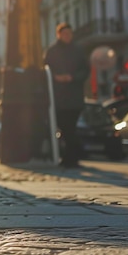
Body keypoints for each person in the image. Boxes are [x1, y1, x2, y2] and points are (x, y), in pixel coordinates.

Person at [44, 23, 89, 168]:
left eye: (70, 33)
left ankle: (71, 157)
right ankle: (70, 156)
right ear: (59, 35)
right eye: (65, 34)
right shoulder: (52, 51)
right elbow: (46, 70)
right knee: (64, 128)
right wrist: (56, 77)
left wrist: (72, 77)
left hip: (74, 98)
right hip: (58, 98)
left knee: (70, 128)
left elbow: (85, 70)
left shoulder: (78, 50)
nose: (67, 36)